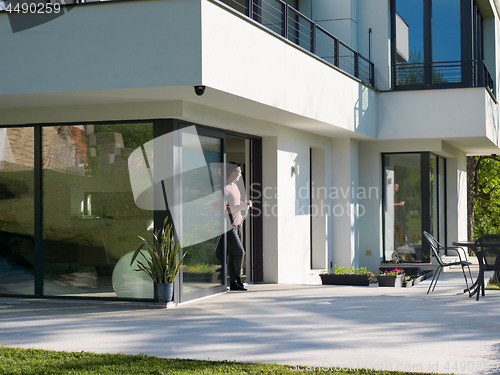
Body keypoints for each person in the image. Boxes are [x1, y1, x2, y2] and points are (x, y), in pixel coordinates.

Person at [225, 162, 251, 291]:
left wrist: (244, 204)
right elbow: (223, 209)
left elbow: (235, 202)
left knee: (235, 254)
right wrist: (240, 207)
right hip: (228, 226)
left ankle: (235, 283)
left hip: (238, 224)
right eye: (239, 172)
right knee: (240, 252)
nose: (240, 175)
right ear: (233, 173)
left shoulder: (234, 186)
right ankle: (237, 280)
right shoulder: (224, 188)